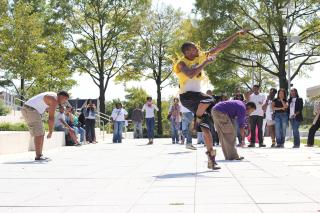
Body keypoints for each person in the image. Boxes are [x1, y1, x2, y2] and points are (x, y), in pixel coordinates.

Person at [173, 29, 248, 170]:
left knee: (207, 130)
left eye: (195, 48)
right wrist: (205, 63)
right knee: (209, 99)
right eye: (191, 50)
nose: (195, 51)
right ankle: (196, 119)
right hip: (187, 97)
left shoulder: (201, 56)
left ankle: (211, 160)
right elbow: (190, 74)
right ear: (186, 53)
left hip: (198, 99)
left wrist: (236, 35)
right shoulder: (181, 64)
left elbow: (219, 46)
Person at [21, 91, 69, 161]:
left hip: (31, 110)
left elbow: (43, 104)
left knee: (41, 133)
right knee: (39, 133)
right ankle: (38, 156)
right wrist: (50, 132)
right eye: (65, 99)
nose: (65, 102)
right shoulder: (54, 100)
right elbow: (51, 118)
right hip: (30, 110)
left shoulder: (53, 96)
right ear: (61, 97)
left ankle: (40, 155)